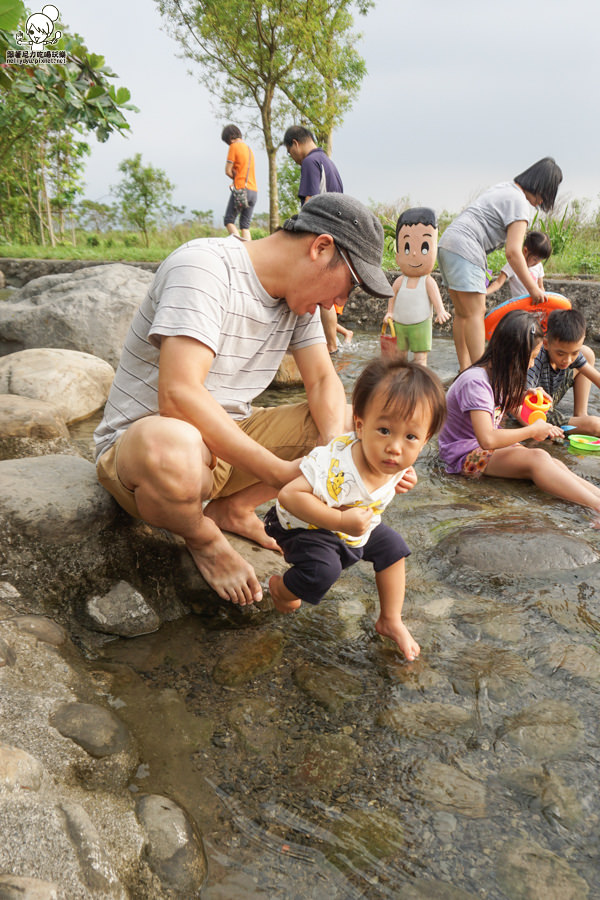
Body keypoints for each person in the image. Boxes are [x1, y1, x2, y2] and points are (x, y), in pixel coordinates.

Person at [94, 193, 399, 607]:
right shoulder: (204, 268)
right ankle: (202, 536)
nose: (339, 304)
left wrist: (334, 454)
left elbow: (324, 380)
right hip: (148, 449)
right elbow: (178, 396)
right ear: (321, 247)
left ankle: (233, 510)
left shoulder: (299, 305)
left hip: (225, 442)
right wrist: (280, 475)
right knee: (173, 445)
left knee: (349, 423)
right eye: (349, 285)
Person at [264, 359, 447, 660]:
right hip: (304, 525)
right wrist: (339, 519)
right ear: (360, 426)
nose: (395, 448)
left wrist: (403, 477)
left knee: (394, 549)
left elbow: (393, 470)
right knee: (323, 571)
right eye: (385, 430)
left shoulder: (395, 463)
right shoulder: (338, 467)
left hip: (352, 525)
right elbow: (289, 495)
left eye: (411, 437)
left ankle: (390, 619)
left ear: (425, 440)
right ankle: (281, 590)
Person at [437, 310, 600, 522]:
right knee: (538, 459)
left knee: (554, 464)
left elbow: (497, 406)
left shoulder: (496, 374)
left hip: (485, 447)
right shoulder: (475, 382)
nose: (532, 365)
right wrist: (533, 430)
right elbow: (487, 439)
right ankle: (595, 507)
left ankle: (597, 496)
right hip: (463, 455)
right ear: (512, 354)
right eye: (531, 358)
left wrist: (524, 395)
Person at [437, 157, 563, 371]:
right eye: (545, 195)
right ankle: (480, 373)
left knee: (463, 312)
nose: (541, 202)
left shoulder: (504, 189)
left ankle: (465, 368)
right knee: (476, 312)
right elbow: (514, 252)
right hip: (467, 246)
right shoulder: (520, 203)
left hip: (447, 244)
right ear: (541, 188)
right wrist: (533, 289)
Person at [283, 124, 346, 353]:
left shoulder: (310, 162)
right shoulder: (329, 163)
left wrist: (297, 229)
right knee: (323, 291)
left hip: (320, 234)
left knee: (318, 291)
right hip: (335, 232)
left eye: (290, 153)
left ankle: (329, 346)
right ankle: (330, 344)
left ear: (295, 144)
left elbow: (310, 203)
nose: (293, 159)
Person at [383, 207, 451, 366]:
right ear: (397, 254)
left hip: (421, 324)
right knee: (399, 356)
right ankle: (401, 379)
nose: (413, 254)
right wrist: (389, 312)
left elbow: (435, 298)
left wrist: (440, 311)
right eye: (406, 248)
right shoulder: (400, 281)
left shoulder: (427, 281)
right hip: (400, 324)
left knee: (420, 358)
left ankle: (419, 380)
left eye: (424, 248)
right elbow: (392, 296)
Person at [526, 308, 600, 437]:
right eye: (561, 353)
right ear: (546, 343)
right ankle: (582, 424)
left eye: (574, 353)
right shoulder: (536, 361)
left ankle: (581, 415)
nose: (568, 360)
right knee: (595, 425)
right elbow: (524, 403)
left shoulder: (570, 355)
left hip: (551, 398)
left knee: (587, 353)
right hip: (538, 412)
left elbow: (596, 377)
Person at [487, 231, 552, 299]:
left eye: (541, 260)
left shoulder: (538, 266)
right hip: (519, 307)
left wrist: (542, 294)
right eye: (535, 259)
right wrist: (485, 293)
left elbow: (540, 286)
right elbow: (498, 283)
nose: (537, 263)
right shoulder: (513, 264)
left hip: (534, 306)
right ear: (525, 251)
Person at [221, 124, 257, 241]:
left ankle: (239, 246)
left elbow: (228, 171)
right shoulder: (249, 149)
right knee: (245, 226)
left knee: (229, 220)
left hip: (242, 189)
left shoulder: (234, 147)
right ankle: (249, 250)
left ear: (230, 137)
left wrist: (234, 177)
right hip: (253, 191)